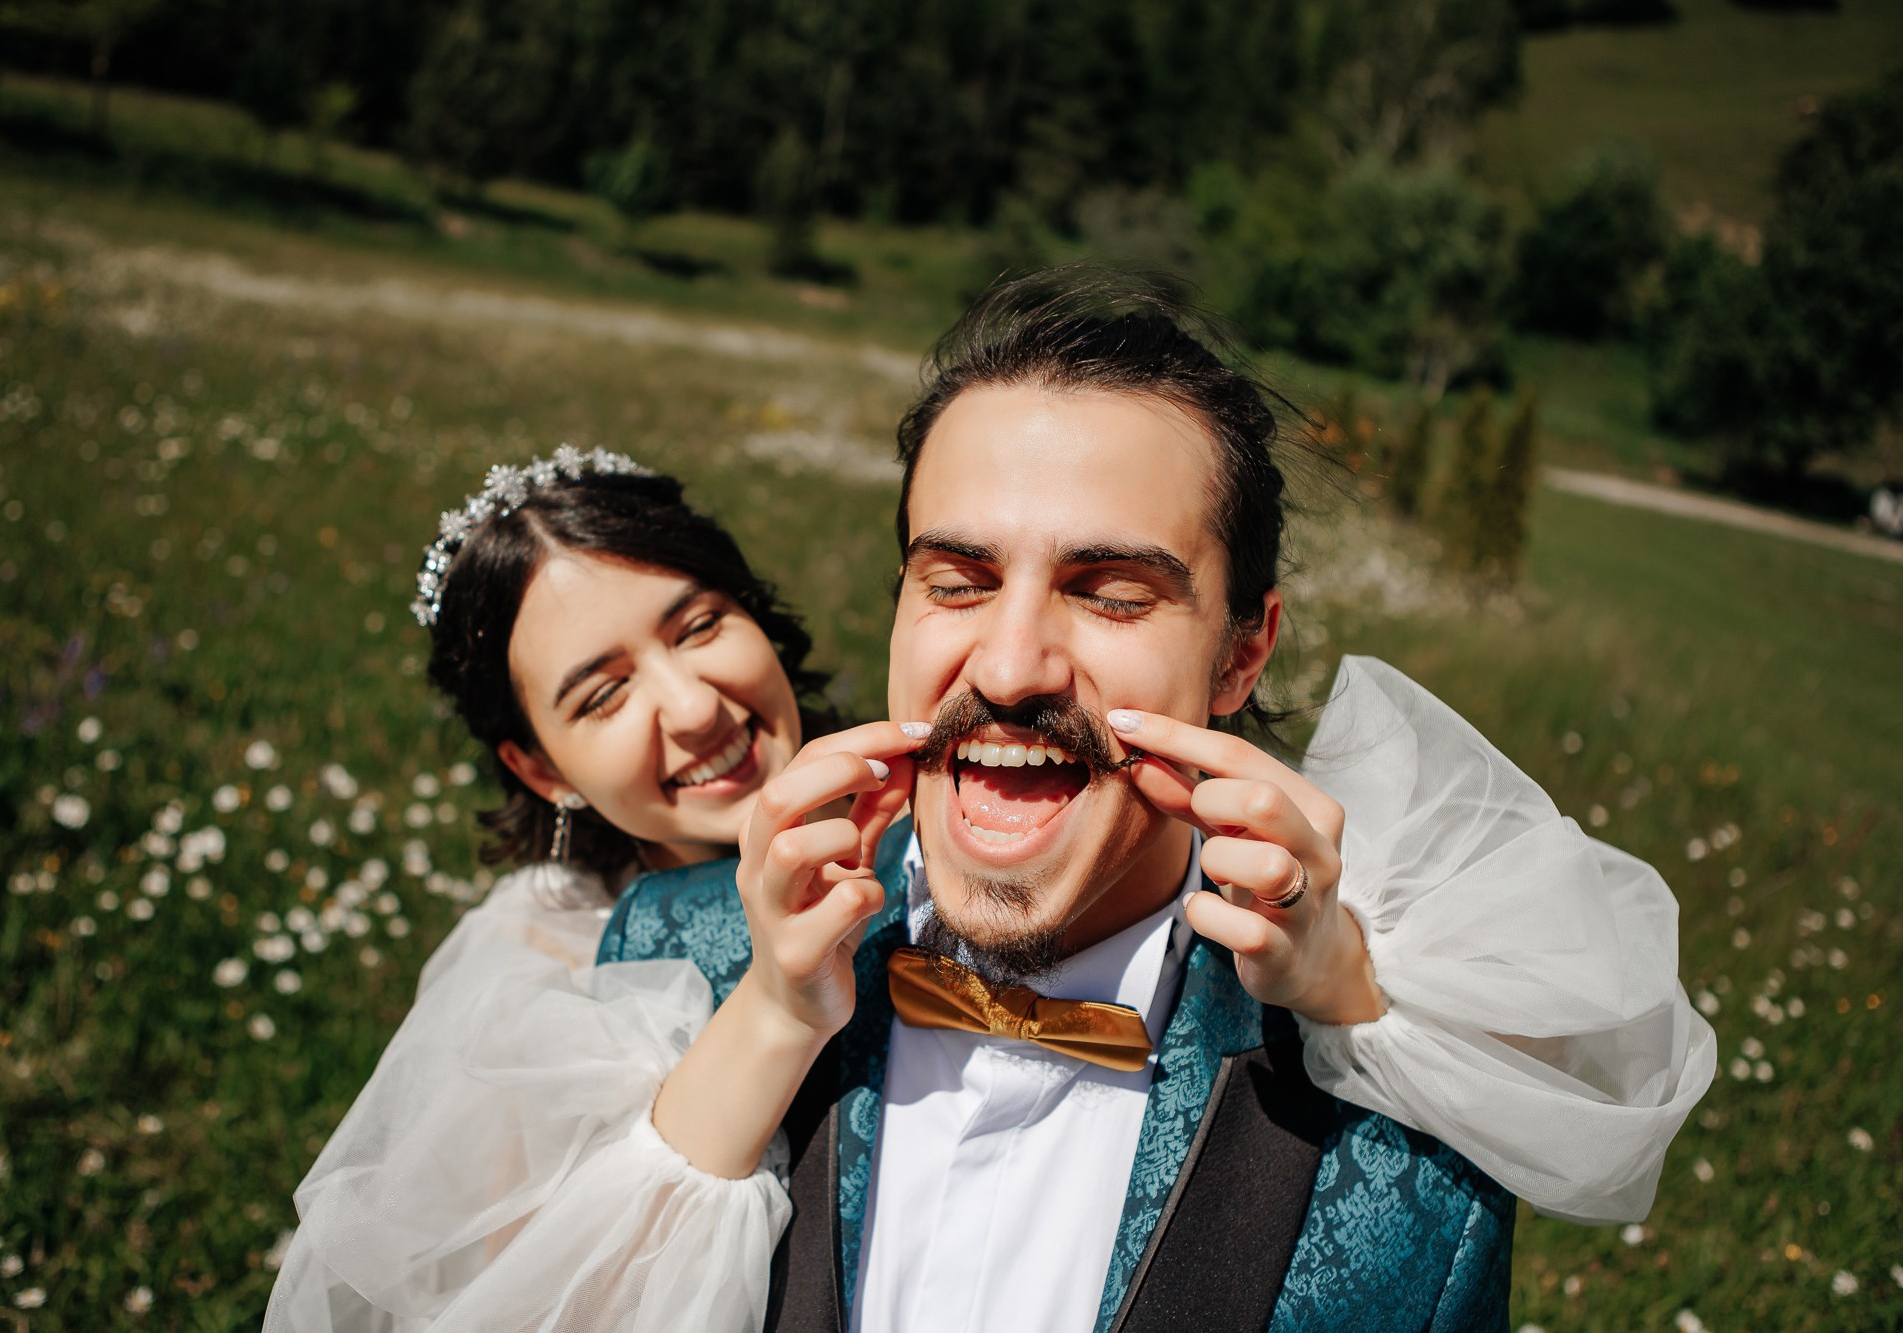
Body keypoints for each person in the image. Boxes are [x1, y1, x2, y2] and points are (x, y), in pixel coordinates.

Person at [265, 279, 1713, 1331]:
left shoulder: (1407, 1135)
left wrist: (1346, 991)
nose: (1011, 663)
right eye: (956, 580)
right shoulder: (663, 961)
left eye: (1110, 587)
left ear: (1245, 648)